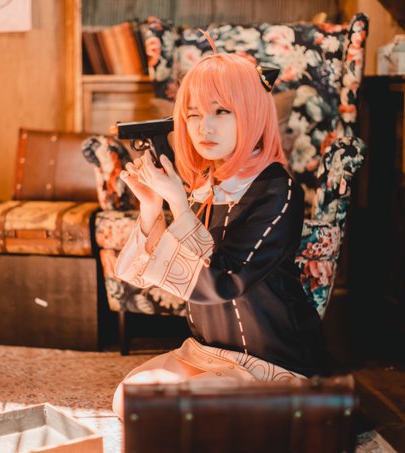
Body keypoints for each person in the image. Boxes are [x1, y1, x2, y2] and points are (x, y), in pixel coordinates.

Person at [112, 51, 330, 418]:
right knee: (129, 398)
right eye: (193, 114)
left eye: (221, 112)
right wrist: (152, 207)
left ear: (252, 113)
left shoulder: (278, 190)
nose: (204, 128)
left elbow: (224, 280)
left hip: (272, 362)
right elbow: (138, 275)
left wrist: (179, 205)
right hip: (207, 353)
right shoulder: (207, 184)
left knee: (176, 410)